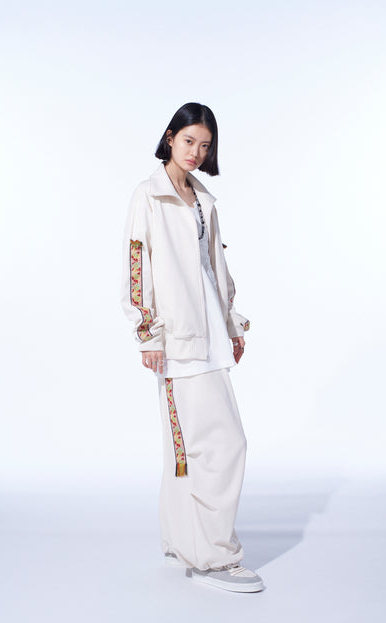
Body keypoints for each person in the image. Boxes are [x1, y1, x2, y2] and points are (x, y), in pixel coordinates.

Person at [121, 102, 264, 593]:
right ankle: (215, 557)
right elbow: (136, 268)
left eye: (205, 145)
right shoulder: (149, 195)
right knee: (219, 446)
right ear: (169, 137)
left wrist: (232, 324)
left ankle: (182, 542)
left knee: (187, 449)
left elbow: (213, 267)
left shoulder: (203, 198)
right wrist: (148, 333)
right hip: (178, 339)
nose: (196, 153)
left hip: (211, 336)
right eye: (189, 142)